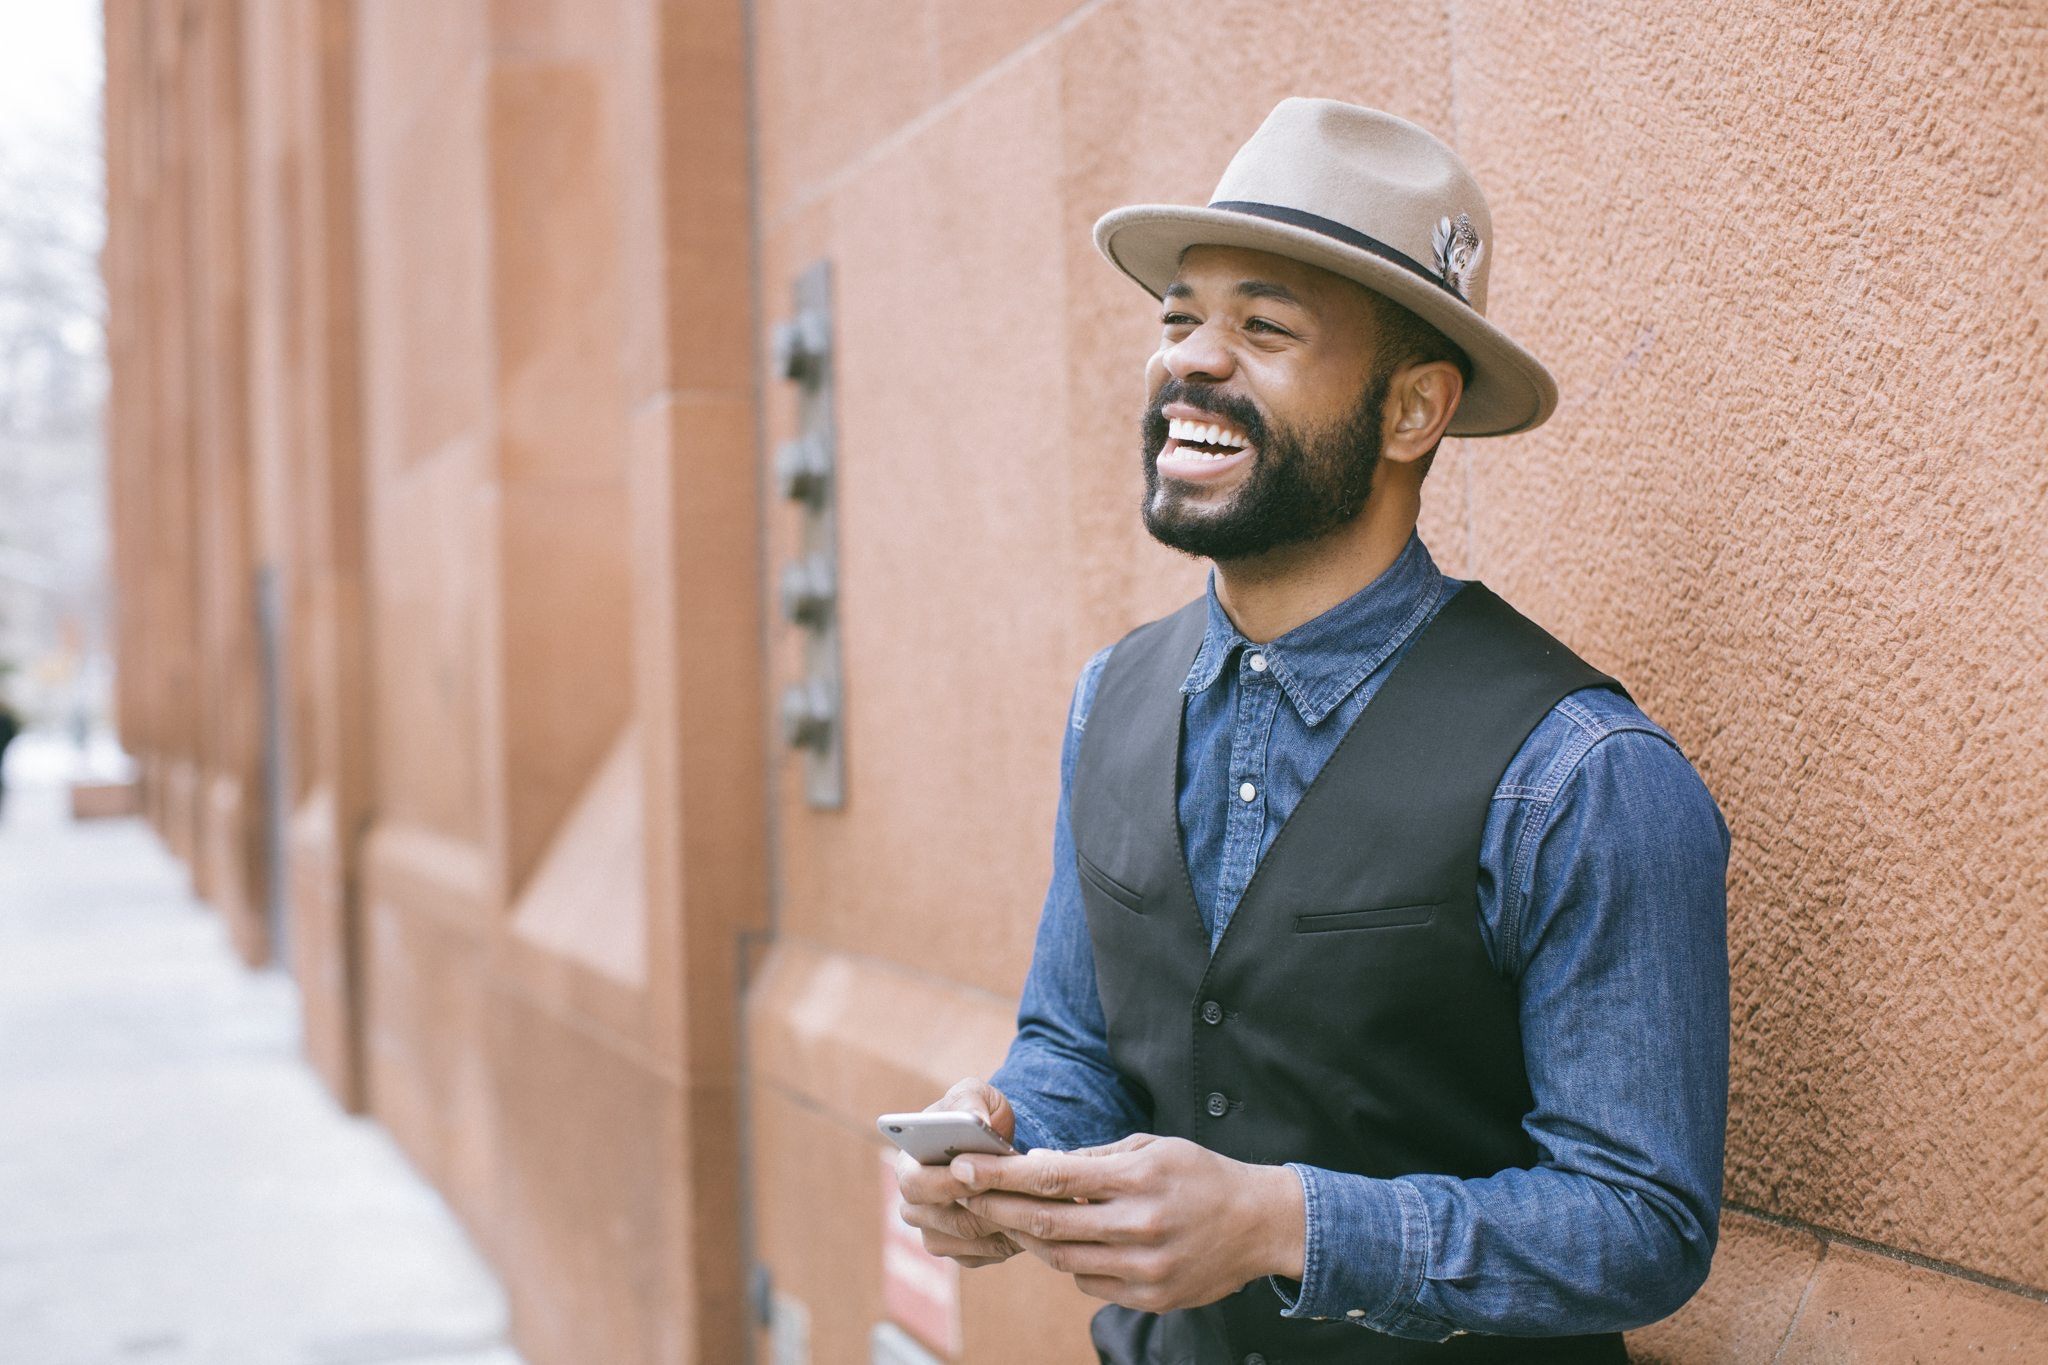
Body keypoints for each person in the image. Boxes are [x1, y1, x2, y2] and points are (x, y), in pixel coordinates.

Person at [893, 99, 1731, 1363]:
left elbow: (1639, 1225)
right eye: (1178, 318)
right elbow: (1076, 1042)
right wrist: (1006, 1143)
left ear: (1412, 411)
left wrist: (1280, 1223)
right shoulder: (1109, 698)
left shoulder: (1578, 774)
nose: (1190, 358)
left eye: (1263, 328)